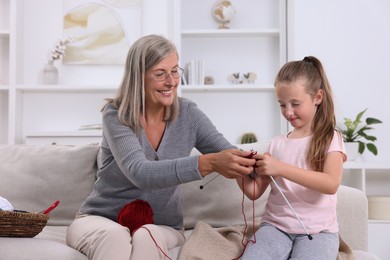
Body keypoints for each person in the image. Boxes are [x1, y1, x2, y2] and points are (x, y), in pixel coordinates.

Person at [66, 34, 256, 260]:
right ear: (139, 77)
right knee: (115, 236)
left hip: (163, 227)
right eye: (160, 74)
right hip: (99, 220)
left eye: (175, 70)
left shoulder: (188, 114)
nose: (171, 81)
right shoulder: (116, 115)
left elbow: (229, 153)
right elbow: (140, 172)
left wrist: (256, 163)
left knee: (147, 234)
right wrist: (208, 163)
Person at [237, 56, 347, 260]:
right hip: (276, 227)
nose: (288, 112)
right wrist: (239, 171)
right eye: (282, 105)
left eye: (295, 103)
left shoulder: (331, 138)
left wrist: (280, 168)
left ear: (318, 97)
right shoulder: (277, 144)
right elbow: (254, 192)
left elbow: (331, 183)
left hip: (318, 232)